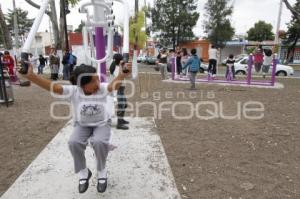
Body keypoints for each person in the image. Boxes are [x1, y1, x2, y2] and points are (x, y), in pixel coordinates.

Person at [21, 62, 132, 194]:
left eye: (97, 78)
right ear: (83, 85)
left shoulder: (101, 88)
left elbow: (113, 85)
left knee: (99, 142)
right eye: (94, 80)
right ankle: (84, 172)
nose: (98, 82)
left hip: (101, 123)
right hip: (82, 125)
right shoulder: (74, 91)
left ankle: (101, 170)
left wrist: (121, 74)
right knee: (73, 143)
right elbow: (54, 87)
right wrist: (32, 77)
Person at [110, 53, 129, 130]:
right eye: (122, 60)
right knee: (121, 105)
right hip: (118, 89)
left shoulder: (118, 66)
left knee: (124, 105)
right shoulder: (115, 68)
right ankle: (119, 123)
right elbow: (119, 76)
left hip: (121, 89)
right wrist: (122, 67)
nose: (123, 61)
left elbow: (125, 73)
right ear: (119, 60)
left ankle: (121, 119)